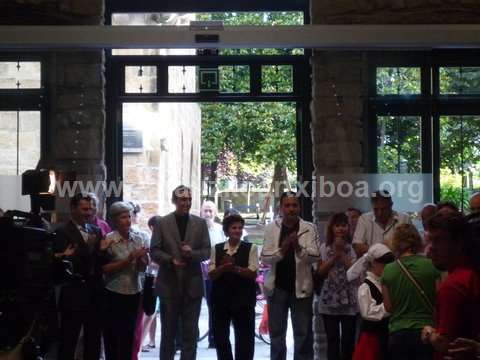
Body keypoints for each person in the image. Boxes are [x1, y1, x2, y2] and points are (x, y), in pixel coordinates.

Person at [150, 185, 211, 360]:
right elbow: (154, 250)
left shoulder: (200, 223)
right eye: (183, 199)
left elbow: (207, 251)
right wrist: (170, 260)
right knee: (168, 333)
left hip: (192, 284)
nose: (187, 203)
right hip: (169, 284)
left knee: (190, 333)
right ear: (174, 201)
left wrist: (192, 254)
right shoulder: (162, 222)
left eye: (189, 199)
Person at [261, 191, 320, 360]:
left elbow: (316, 256)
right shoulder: (272, 228)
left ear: (299, 207)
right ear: (281, 208)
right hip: (277, 288)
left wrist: (298, 249)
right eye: (287, 205)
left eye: (294, 205)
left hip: (301, 289)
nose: (291, 209)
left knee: (303, 335)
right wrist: (283, 248)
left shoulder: (309, 227)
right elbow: (265, 258)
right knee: (277, 336)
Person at [420, 212, 480, 359]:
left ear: (458, 243)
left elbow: (446, 344)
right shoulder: (471, 275)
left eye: (438, 240)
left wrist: (430, 335)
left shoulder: (453, 286)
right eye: (430, 241)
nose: (431, 248)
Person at [54, 192, 103, 360]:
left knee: (93, 340)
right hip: (73, 294)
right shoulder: (61, 232)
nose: (89, 213)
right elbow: (65, 263)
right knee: (68, 341)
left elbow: (99, 263)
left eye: (91, 209)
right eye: (84, 209)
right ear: (73, 209)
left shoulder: (96, 230)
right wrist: (88, 250)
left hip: (94, 294)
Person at [381, 223, 442, 360]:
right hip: (426, 332)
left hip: (398, 332)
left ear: (395, 242)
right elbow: (439, 301)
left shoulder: (388, 270)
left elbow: (388, 307)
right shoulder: (431, 265)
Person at [101, 201, 150, 360]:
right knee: (112, 335)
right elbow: (105, 269)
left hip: (134, 291)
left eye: (129, 216)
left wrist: (142, 259)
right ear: (115, 220)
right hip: (113, 291)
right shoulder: (108, 240)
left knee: (129, 334)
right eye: (123, 217)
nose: (128, 220)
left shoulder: (140, 237)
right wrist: (129, 259)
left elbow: (143, 269)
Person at [208, 214, 259, 360]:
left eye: (240, 228)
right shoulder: (216, 249)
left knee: (245, 338)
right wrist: (223, 268)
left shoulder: (251, 248)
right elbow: (211, 275)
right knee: (221, 338)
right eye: (234, 228)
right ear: (226, 231)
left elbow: (253, 273)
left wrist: (234, 268)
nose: (237, 230)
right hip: (220, 300)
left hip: (243, 300)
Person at [316, 212, 357, 360]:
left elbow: (354, 271)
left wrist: (341, 253)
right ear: (332, 228)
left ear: (348, 228)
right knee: (332, 340)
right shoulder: (324, 247)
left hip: (349, 298)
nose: (340, 229)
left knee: (348, 341)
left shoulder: (352, 247)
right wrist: (334, 257)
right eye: (337, 225)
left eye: (344, 225)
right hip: (329, 298)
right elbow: (320, 271)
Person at [347, 244, 394, 360]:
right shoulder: (365, 287)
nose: (387, 266)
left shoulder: (387, 282)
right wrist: (389, 307)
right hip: (371, 338)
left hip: (387, 336)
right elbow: (368, 312)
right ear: (373, 263)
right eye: (384, 262)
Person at [353, 190, 411, 257]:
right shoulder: (364, 219)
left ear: (391, 205)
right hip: (372, 265)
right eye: (376, 209)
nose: (379, 213)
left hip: (398, 264)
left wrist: (374, 249)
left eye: (383, 209)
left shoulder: (404, 219)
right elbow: (357, 246)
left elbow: (412, 244)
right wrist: (383, 251)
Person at [200, 200, 225, 348]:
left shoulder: (220, 230)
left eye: (210, 211)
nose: (208, 214)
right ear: (201, 212)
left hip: (214, 274)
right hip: (197, 274)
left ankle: (214, 337)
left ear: (215, 213)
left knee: (214, 305)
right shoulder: (196, 229)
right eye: (205, 211)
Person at [141, 216, 161, 353]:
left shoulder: (161, 241)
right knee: (149, 314)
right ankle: (141, 342)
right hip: (151, 279)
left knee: (151, 314)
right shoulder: (150, 240)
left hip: (158, 279)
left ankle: (150, 341)